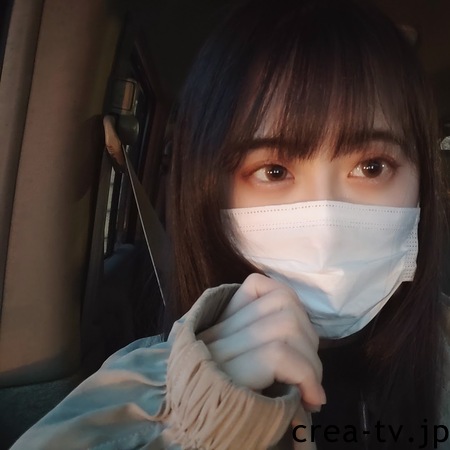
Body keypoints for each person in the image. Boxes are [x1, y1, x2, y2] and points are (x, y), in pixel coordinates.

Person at [11, 0, 450, 449]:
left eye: (372, 167)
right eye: (274, 171)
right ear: (210, 191)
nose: (327, 225)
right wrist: (198, 417)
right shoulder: (144, 390)